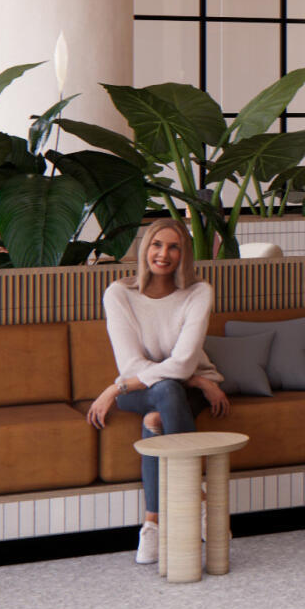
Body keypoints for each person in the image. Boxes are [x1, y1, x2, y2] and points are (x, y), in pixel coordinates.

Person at [85, 217, 229, 565]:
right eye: (156, 244)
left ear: (184, 254)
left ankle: (152, 524)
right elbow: (132, 364)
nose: (164, 254)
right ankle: (195, 496)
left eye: (173, 246)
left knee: (156, 417)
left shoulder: (199, 292)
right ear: (145, 248)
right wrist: (189, 378)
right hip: (143, 387)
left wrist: (186, 377)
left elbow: (182, 364)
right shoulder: (119, 294)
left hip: (179, 390)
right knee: (164, 392)